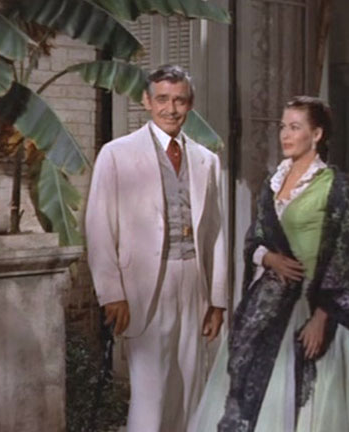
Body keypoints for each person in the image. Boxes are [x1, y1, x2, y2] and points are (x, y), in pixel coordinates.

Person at [189, 96, 349, 432]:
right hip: (271, 301)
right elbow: (255, 238)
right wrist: (269, 257)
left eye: (295, 127)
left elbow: (343, 258)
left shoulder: (335, 186)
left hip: (317, 304)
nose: (285, 134)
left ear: (316, 134)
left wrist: (321, 317)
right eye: (283, 127)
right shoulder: (274, 180)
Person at [85, 64, 227, 432]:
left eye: (179, 100)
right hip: (143, 284)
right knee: (151, 392)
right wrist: (111, 293)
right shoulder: (116, 154)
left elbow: (215, 233)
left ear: (190, 104)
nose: (171, 109)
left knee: (192, 386)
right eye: (162, 99)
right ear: (147, 101)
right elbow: (99, 227)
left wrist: (217, 300)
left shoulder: (206, 160)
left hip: (193, 280)